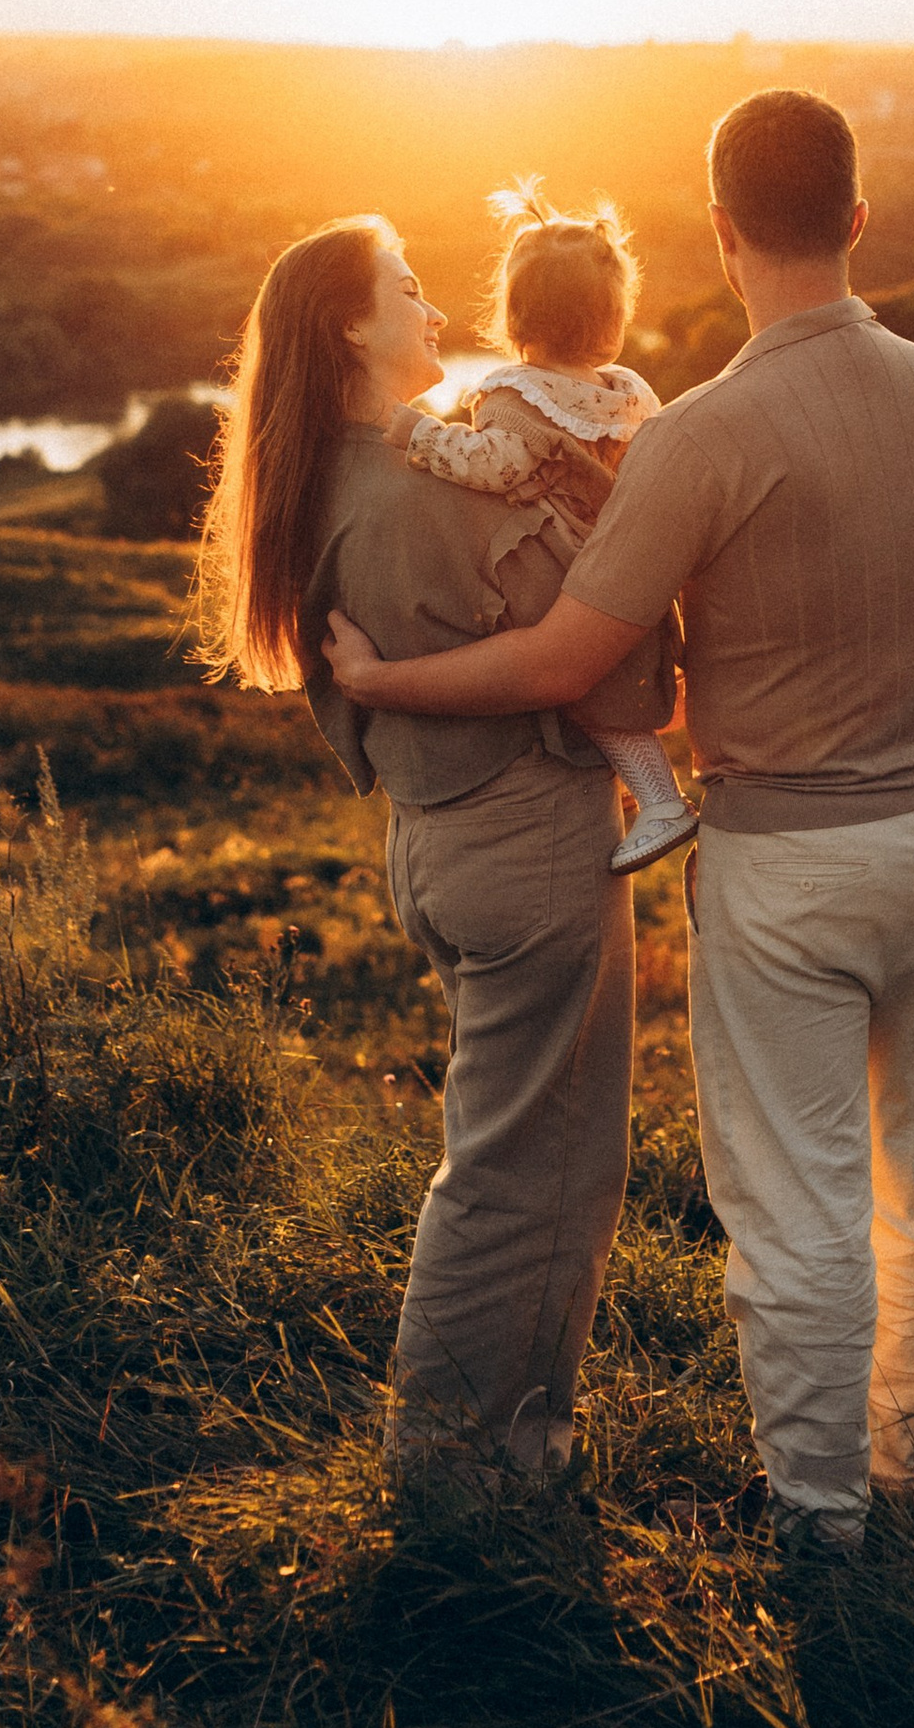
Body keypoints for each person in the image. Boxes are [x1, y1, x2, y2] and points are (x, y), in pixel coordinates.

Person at [325, 89, 914, 1563]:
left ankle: (821, 1517)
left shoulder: (705, 435)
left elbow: (568, 662)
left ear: (720, 232)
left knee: (796, 1191)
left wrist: (384, 680)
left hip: (795, 859)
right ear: (859, 222)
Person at [195, 214, 634, 1491]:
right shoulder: (413, 493)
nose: (435, 308)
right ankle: (452, 1472)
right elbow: (581, 643)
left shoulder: (345, 471)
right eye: (407, 288)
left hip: (453, 844)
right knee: (524, 1172)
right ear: (349, 323)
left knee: (541, 1157)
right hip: (523, 838)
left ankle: (518, 1444)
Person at [392, 186, 699, 874]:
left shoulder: (517, 397)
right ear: (612, 316)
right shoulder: (627, 391)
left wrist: (420, 434)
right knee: (615, 691)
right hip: (636, 567)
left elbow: (493, 467)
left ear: (514, 311)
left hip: (571, 575)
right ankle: (636, 789)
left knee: (588, 692)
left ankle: (660, 802)